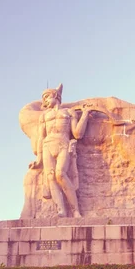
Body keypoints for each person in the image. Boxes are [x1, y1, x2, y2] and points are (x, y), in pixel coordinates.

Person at [29, 84, 91, 218]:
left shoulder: (69, 113)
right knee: (51, 176)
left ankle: (75, 210)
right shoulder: (44, 117)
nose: (44, 101)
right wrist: (39, 159)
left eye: (46, 97)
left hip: (63, 143)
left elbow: (77, 133)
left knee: (60, 174)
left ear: (56, 96)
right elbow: (41, 137)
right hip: (47, 146)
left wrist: (85, 115)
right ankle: (60, 210)